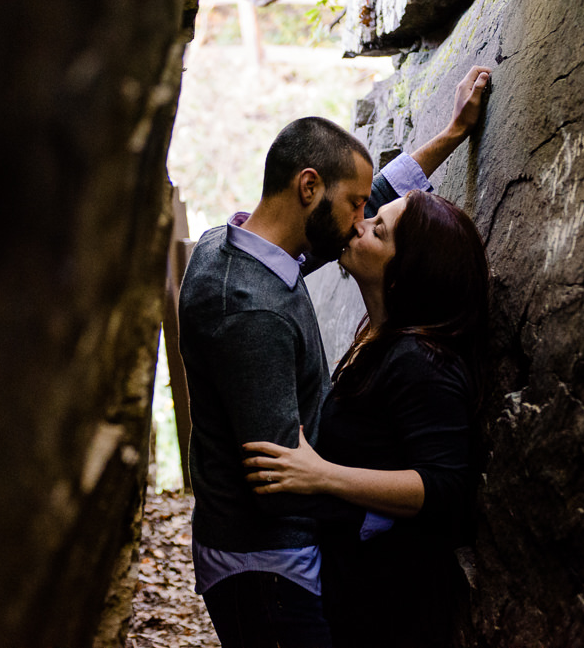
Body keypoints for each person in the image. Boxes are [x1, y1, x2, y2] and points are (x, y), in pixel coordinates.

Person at [178, 67, 491, 647]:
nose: (358, 222)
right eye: (353, 207)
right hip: (270, 564)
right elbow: (281, 476)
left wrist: (451, 133)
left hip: (287, 560)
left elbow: (373, 199)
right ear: (308, 189)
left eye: (370, 219)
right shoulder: (254, 308)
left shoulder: (247, 249)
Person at [242, 189, 491, 648]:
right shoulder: (379, 341)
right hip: (351, 587)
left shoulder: (421, 362)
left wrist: (321, 476)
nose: (360, 224)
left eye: (379, 229)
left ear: (405, 273)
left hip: (389, 609)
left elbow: (445, 487)